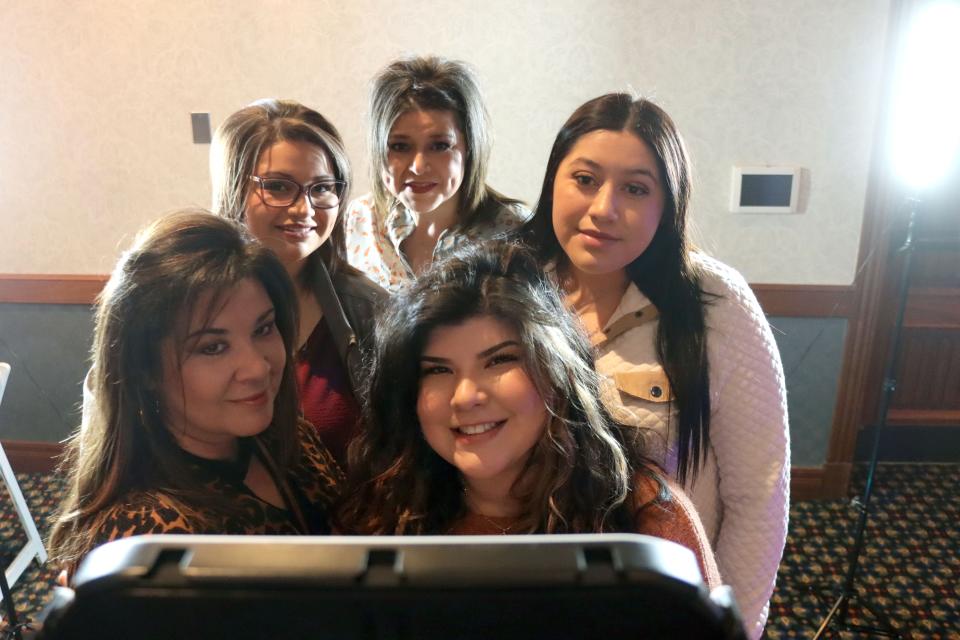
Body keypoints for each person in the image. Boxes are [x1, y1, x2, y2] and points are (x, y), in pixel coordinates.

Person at [523, 93, 789, 639]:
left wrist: (726, 627)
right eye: (585, 179)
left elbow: (758, 501)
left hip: (666, 606)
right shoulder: (508, 289)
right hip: (537, 594)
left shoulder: (714, 302)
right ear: (554, 181)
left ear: (667, 205)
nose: (604, 208)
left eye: (636, 189)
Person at [338, 241, 720, 589]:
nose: (466, 396)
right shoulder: (381, 513)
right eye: (437, 370)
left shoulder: (645, 519)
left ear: (558, 372)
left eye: (500, 360)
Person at [49, 212, 342, 576]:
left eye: (263, 329)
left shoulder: (289, 438)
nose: (257, 368)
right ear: (146, 369)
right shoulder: (154, 537)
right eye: (212, 348)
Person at [211, 99, 386, 465]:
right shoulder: (186, 304)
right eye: (277, 186)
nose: (304, 209)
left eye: (322, 188)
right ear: (233, 189)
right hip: (217, 520)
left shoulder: (372, 311)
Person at [344, 55, 529, 292]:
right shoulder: (360, 218)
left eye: (440, 146)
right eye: (399, 146)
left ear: (470, 148)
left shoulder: (515, 231)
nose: (418, 167)